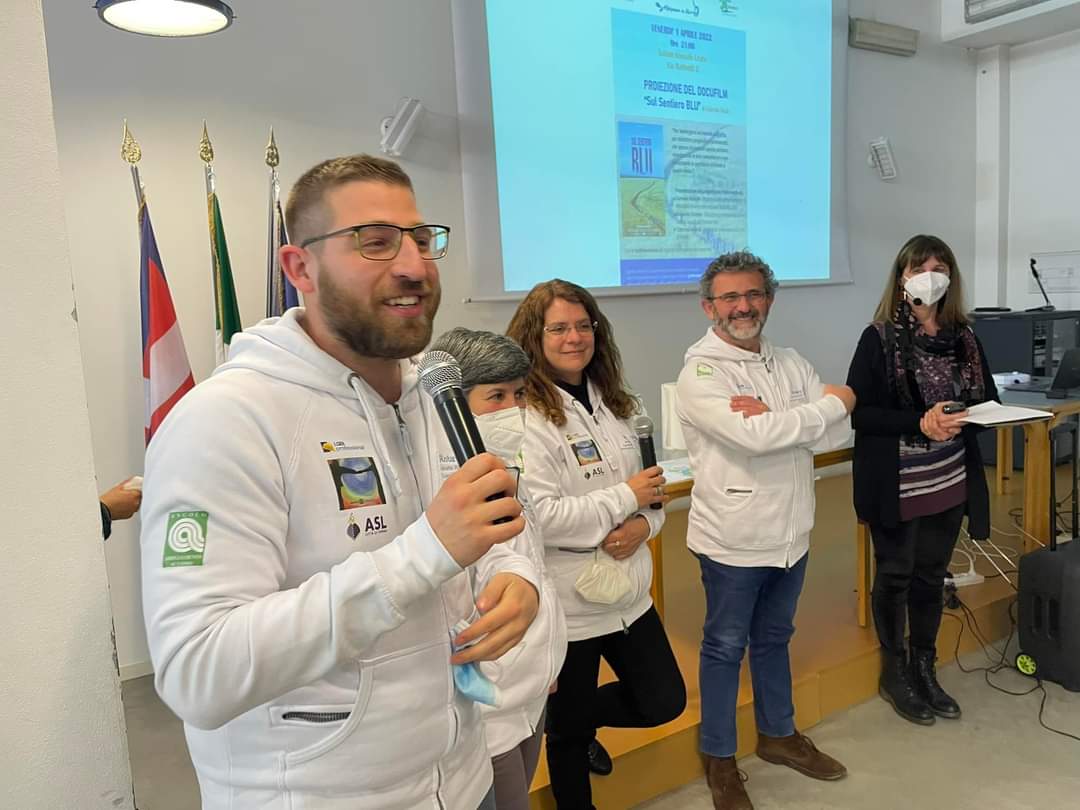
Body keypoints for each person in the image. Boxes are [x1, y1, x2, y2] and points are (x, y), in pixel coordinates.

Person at [139, 154, 539, 810]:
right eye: (374, 242)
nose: (413, 266)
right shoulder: (225, 421)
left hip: (462, 779)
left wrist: (517, 576)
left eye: (421, 239)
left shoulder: (432, 391)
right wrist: (423, 554)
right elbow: (197, 672)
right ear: (299, 268)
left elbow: (486, 524)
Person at [676, 251, 854, 810]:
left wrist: (782, 420)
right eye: (729, 297)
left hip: (792, 532)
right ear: (708, 307)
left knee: (775, 637)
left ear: (769, 300)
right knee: (725, 647)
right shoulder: (701, 373)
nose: (743, 306)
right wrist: (830, 403)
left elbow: (833, 437)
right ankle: (720, 758)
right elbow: (754, 438)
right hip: (733, 538)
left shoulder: (791, 362)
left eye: (753, 294)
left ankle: (778, 735)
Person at [508, 279, 687, 810]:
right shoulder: (524, 418)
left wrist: (644, 526)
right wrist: (624, 497)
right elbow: (542, 519)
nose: (574, 337)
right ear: (534, 337)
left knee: (663, 702)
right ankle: (572, 739)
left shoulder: (620, 404)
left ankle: (574, 720)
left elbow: (654, 493)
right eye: (558, 328)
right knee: (566, 745)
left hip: (629, 593)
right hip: (570, 606)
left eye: (583, 326)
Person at [846, 234, 997, 726]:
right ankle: (894, 673)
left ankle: (924, 667)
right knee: (895, 575)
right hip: (900, 481)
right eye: (919, 268)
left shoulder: (964, 337)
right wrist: (920, 422)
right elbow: (861, 414)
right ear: (902, 278)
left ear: (951, 277)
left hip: (949, 476)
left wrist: (970, 416)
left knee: (932, 575)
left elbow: (987, 399)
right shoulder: (879, 338)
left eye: (940, 268)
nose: (930, 276)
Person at [429, 327, 568, 810]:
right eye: (496, 396)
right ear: (453, 402)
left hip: (529, 690)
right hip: (485, 708)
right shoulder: (442, 488)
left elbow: (534, 570)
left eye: (519, 394)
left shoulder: (506, 469)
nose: (513, 408)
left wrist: (546, 657)